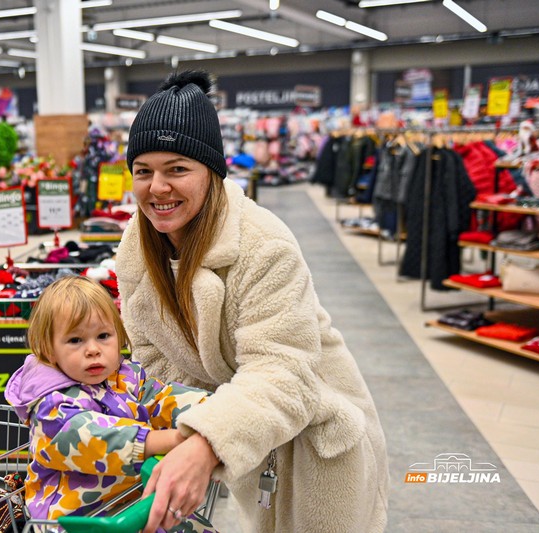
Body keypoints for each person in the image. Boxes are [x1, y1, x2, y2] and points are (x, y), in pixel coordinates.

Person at [116, 70, 390, 533]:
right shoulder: (137, 249)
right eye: (143, 171)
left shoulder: (264, 245)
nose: (157, 187)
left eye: (177, 169)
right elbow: (153, 357)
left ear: (212, 172)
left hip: (318, 447)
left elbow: (283, 373)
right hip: (249, 441)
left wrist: (206, 442)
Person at [3, 275, 216, 532]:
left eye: (103, 335)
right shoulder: (52, 408)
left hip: (129, 502)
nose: (93, 349)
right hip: (76, 520)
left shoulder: (124, 378)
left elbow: (160, 397)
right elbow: (93, 437)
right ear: (50, 350)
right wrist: (175, 440)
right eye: (75, 340)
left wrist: (213, 411)